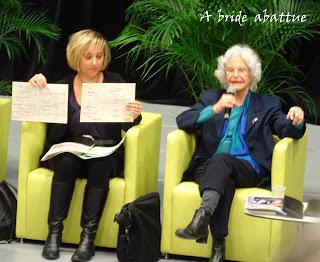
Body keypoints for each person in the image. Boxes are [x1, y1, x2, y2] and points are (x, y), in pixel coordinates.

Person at [174, 44, 305, 262]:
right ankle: (218, 247)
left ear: (252, 74)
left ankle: (200, 221)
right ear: (223, 74)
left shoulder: (267, 104)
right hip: (208, 168)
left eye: (241, 70)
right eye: (230, 70)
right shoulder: (210, 98)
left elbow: (286, 129)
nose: (235, 75)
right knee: (222, 177)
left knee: (223, 162)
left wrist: (296, 120)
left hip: (247, 168)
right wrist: (215, 108)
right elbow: (183, 121)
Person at [29, 29, 142, 262]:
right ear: (75, 57)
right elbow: (36, 109)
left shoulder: (115, 83)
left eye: (99, 56)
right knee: (68, 162)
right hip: (69, 149)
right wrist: (35, 87)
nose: (95, 62)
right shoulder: (62, 87)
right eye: (88, 56)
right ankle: (54, 234)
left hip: (105, 151)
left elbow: (129, 124)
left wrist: (135, 115)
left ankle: (88, 237)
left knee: (100, 165)